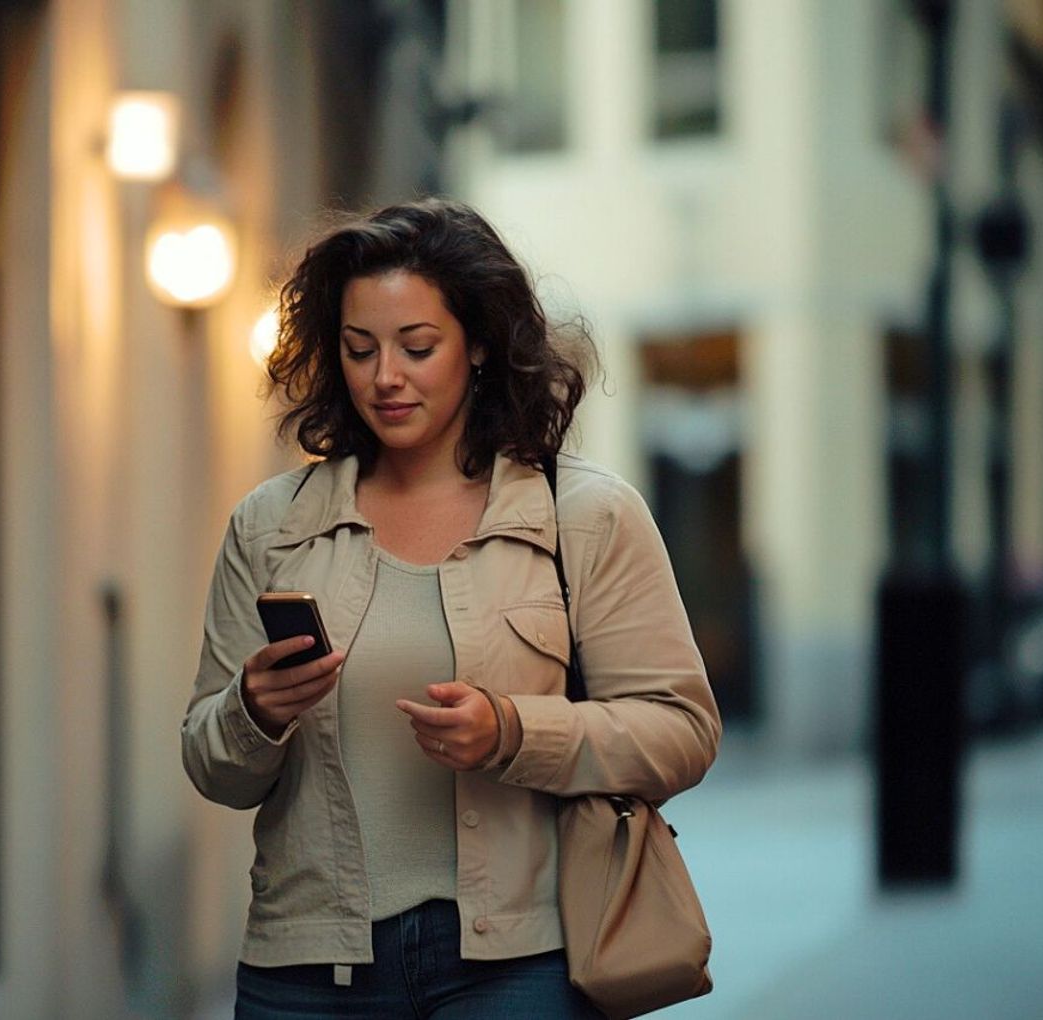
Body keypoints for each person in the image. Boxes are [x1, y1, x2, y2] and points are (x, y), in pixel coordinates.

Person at [181, 198, 720, 1019]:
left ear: (475, 347)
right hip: (308, 970)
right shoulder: (272, 525)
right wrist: (253, 710)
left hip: (519, 962)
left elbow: (680, 732)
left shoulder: (585, 516)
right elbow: (211, 764)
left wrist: (513, 730)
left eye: (416, 347)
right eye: (359, 350)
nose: (384, 377)